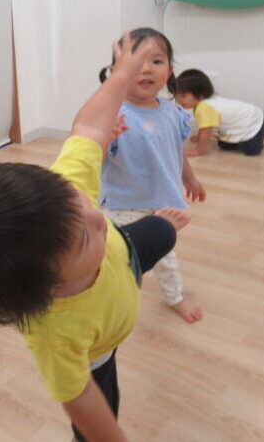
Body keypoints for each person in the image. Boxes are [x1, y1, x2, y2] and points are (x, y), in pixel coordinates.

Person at [0, 32, 190, 441]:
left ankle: (164, 227)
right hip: (101, 350)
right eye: (83, 239)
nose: (98, 218)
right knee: (103, 405)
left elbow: (89, 127)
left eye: (82, 203)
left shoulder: (62, 196)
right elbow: (81, 401)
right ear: (49, 284)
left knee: (161, 230)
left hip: (124, 252)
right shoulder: (56, 335)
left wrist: (121, 74)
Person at [99, 28, 205, 323]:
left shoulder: (173, 112)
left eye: (156, 61)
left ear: (169, 71)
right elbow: (93, 157)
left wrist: (189, 178)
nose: (146, 69)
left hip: (162, 203)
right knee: (118, 256)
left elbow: (175, 149)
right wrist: (104, 139)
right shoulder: (113, 114)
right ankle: (109, 296)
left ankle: (175, 295)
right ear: (117, 71)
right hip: (122, 205)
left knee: (164, 255)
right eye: (136, 61)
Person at [174, 68, 264, 156]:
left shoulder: (205, 108)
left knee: (251, 150)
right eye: (177, 95)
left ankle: (251, 140)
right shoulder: (201, 105)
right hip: (237, 123)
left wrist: (198, 150)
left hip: (253, 119)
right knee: (224, 145)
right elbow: (203, 126)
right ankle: (239, 139)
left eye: (183, 96)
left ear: (200, 94)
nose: (179, 99)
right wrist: (199, 137)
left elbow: (206, 131)